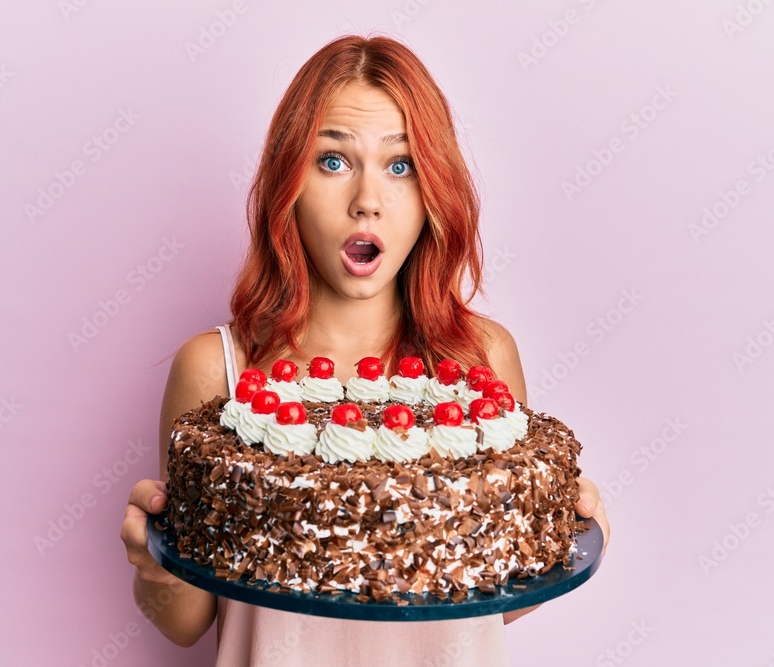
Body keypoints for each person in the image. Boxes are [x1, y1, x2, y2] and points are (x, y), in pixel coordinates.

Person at [121, 33, 610, 666]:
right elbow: (185, 623)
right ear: (287, 186)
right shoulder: (218, 368)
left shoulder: (480, 362)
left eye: (400, 165)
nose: (367, 201)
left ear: (434, 189)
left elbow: (492, 593)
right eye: (333, 161)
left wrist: (556, 536)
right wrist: (155, 568)